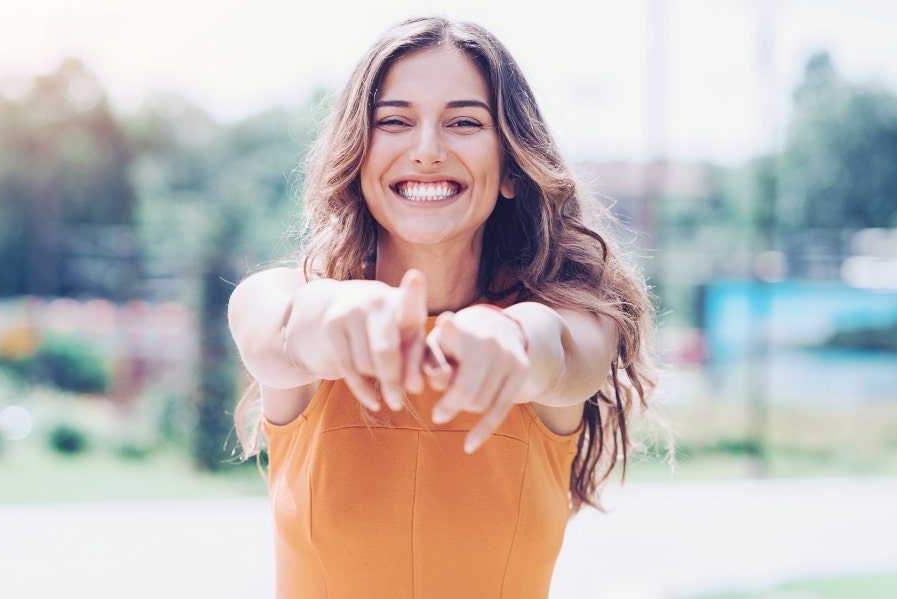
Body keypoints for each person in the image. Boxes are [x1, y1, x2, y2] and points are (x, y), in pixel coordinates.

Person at [228, 15, 657, 599]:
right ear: (359, 156)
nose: (427, 151)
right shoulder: (284, 297)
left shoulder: (575, 318)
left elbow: (557, 350)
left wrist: (511, 340)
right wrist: (334, 317)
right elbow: (274, 333)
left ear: (510, 167)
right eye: (396, 122)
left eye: (463, 122)